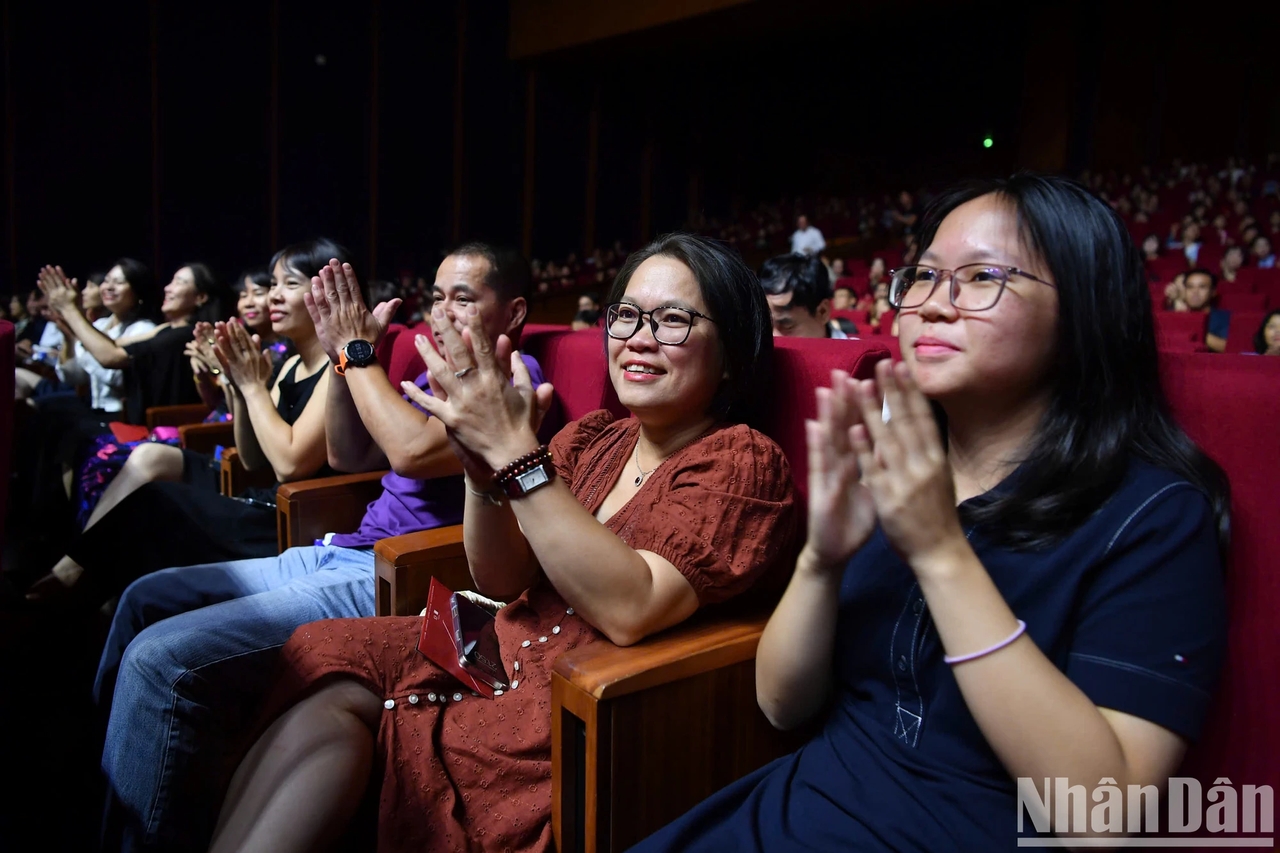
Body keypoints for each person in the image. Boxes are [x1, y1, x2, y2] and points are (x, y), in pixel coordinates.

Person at [629, 173, 1228, 852]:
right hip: (792, 814)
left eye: (981, 278)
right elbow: (781, 703)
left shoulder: (1155, 518)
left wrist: (940, 551)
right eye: (922, 276)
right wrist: (823, 556)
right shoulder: (897, 468)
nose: (932, 306)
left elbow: (1100, 817)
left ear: (1084, 311)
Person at [208, 233, 798, 853]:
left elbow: (633, 606)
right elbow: (499, 580)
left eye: (673, 319)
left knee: (356, 717)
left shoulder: (742, 460)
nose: (638, 338)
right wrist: (480, 473)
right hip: (494, 647)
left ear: (731, 353)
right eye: (625, 315)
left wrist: (517, 457)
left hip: (570, 699)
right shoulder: (595, 436)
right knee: (321, 657)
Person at [94, 243, 545, 853]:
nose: (443, 312)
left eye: (463, 298)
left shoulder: (514, 385)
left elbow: (412, 450)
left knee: (157, 658)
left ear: (513, 313)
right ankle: (104, 762)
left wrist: (358, 356)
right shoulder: (427, 375)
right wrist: (341, 355)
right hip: (339, 547)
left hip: (393, 572)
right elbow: (348, 456)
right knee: (144, 598)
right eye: (436, 297)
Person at [24, 241, 339, 605]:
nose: (273, 298)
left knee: (151, 506)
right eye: (273, 285)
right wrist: (235, 383)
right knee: (145, 466)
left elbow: (288, 465)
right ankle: (72, 582)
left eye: (289, 285)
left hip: (288, 518)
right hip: (262, 494)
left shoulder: (337, 368)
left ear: (326, 293)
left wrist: (250, 385)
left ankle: (70, 590)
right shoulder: (289, 365)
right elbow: (253, 460)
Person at [40, 260, 226, 423]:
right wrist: (76, 315)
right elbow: (115, 344)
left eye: (179, 282)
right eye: (171, 281)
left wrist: (70, 310)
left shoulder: (185, 334)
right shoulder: (165, 329)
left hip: (160, 426)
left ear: (200, 297)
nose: (168, 288)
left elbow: (110, 357)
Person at [760, 253, 847, 338]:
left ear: (822, 312)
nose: (773, 338)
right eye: (766, 328)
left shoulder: (857, 351)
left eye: (787, 326)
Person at [1168, 268, 1229, 352]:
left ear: (1213, 292)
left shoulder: (1224, 317)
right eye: (1190, 287)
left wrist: (1189, 324)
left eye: (1202, 287)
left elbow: (1227, 347)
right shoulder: (1172, 314)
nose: (1195, 292)